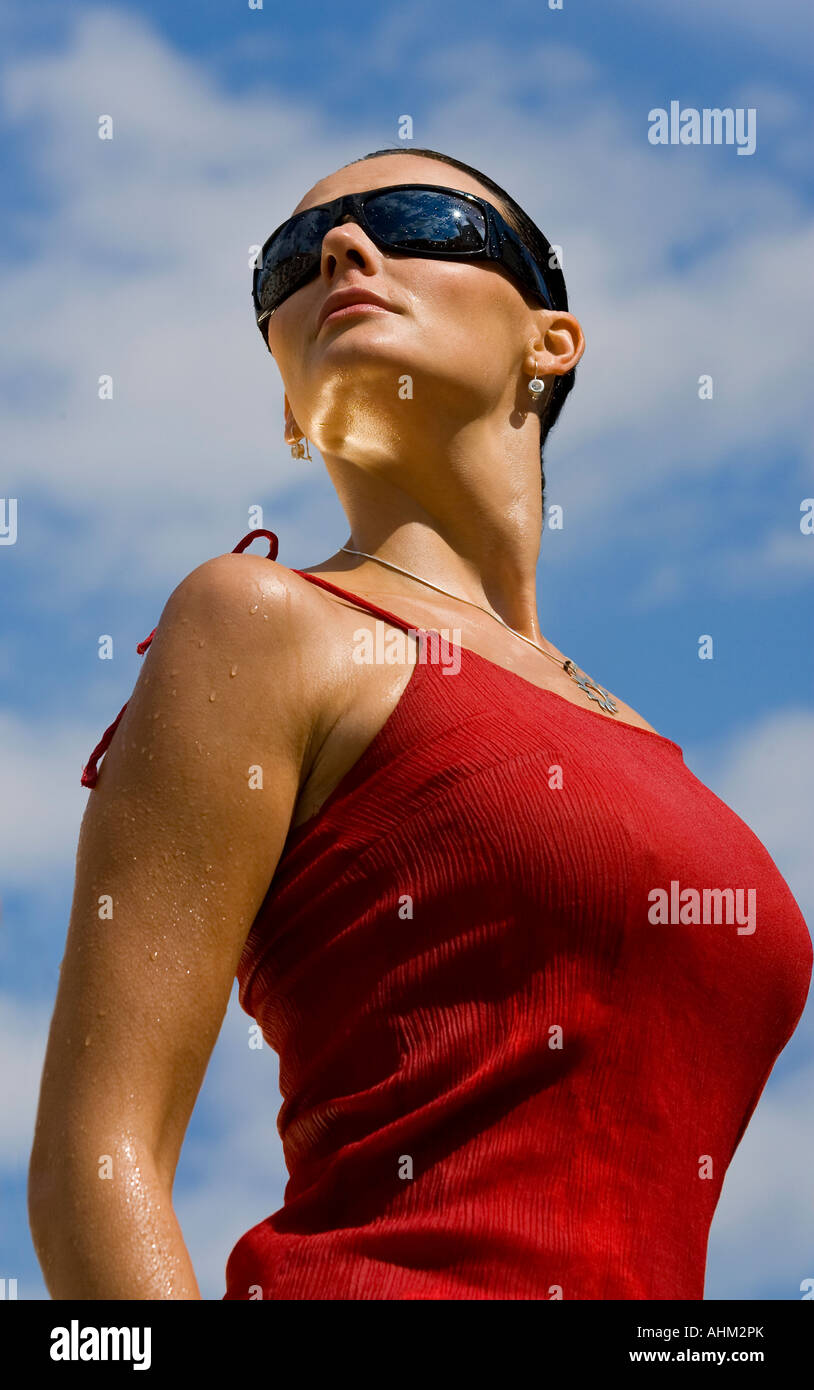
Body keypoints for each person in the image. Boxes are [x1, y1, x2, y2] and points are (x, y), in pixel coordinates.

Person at [29, 148, 812, 1301]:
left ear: (552, 341)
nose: (343, 252)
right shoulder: (259, 621)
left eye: (413, 220)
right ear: (290, 408)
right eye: (291, 262)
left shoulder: (656, 752)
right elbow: (99, 1160)